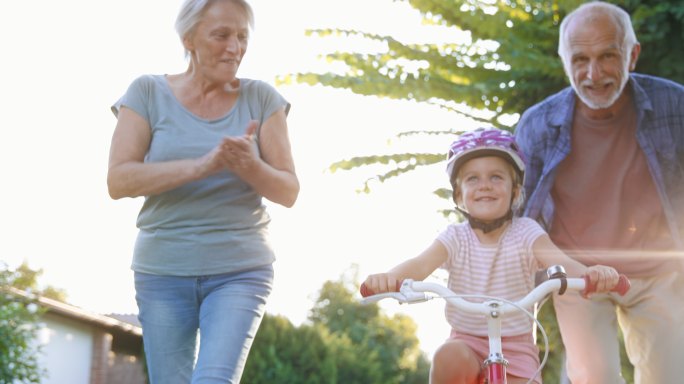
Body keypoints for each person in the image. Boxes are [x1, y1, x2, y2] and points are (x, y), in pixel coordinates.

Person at [106, 0, 299, 382]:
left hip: (240, 270)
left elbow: (289, 190)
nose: (235, 47)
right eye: (222, 35)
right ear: (189, 38)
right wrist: (201, 166)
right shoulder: (147, 91)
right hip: (162, 270)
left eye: (242, 36)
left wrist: (251, 166)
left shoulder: (262, 99)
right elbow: (118, 181)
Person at [362, 127, 620, 384]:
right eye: (472, 179)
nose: (484, 185)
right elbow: (421, 264)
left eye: (496, 177)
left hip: (517, 348)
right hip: (466, 342)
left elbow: (559, 261)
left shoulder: (526, 232)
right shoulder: (455, 237)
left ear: (515, 192)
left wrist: (589, 274)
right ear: (459, 195)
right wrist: (390, 278)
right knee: (448, 356)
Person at [514, 2, 684, 383]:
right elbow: (518, 212)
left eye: (608, 55)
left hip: (659, 271)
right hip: (579, 274)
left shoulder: (676, 105)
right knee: (595, 378)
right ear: (564, 61)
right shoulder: (537, 125)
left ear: (633, 55)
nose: (594, 73)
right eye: (580, 59)